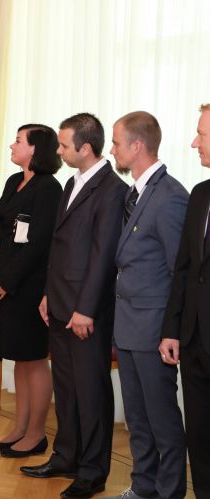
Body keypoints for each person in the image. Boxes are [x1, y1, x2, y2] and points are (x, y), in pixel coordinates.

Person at [20, 113, 128, 499]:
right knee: (66, 390)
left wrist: (86, 309)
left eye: (64, 145)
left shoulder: (112, 190)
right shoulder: (70, 183)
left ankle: (93, 472)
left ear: (85, 148)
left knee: (91, 392)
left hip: (86, 313)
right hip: (60, 304)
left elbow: (103, 256)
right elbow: (59, 246)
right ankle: (65, 456)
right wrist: (48, 293)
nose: (59, 150)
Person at [104, 111, 188, 499]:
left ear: (137, 146)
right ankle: (143, 487)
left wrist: (171, 331)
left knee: (162, 421)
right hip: (128, 326)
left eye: (116, 143)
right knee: (137, 419)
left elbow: (179, 273)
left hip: (154, 330)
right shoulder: (134, 193)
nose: (112, 150)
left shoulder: (170, 197)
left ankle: (169, 492)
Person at [0, 124, 62, 458]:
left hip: (29, 287)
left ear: (35, 149)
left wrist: (6, 281)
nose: (12, 146)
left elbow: (38, 245)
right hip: (5, 284)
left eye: (18, 141)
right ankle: (19, 428)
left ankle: (36, 434)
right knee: (19, 357)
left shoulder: (49, 188)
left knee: (34, 359)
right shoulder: (14, 181)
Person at [161, 103, 210, 499]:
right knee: (200, 439)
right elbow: (184, 270)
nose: (195, 143)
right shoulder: (200, 194)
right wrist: (172, 330)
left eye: (202, 134)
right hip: (194, 342)